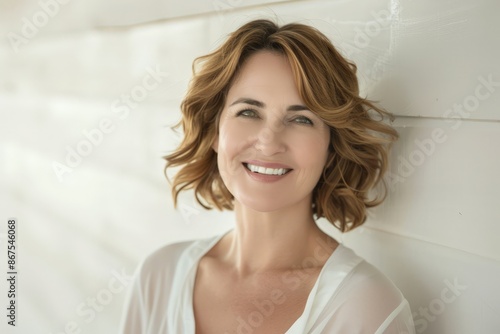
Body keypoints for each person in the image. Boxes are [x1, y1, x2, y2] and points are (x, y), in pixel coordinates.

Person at [120, 19, 415, 334]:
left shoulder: (366, 308)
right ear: (215, 131)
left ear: (331, 147)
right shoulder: (159, 277)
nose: (269, 142)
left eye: (301, 119)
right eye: (248, 112)